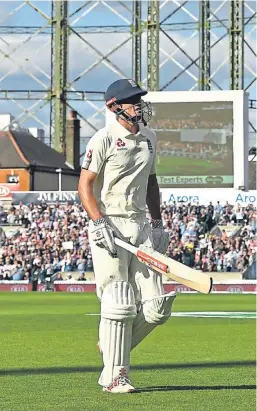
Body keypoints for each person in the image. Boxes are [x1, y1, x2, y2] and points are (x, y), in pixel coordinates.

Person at [78, 79, 176, 393]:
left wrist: (158, 223)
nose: (139, 105)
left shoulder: (150, 137)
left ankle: (111, 342)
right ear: (114, 107)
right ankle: (115, 377)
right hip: (109, 226)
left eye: (139, 100)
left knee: (157, 306)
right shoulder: (104, 138)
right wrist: (97, 222)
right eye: (132, 101)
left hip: (140, 225)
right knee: (119, 302)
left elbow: (151, 184)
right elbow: (85, 186)